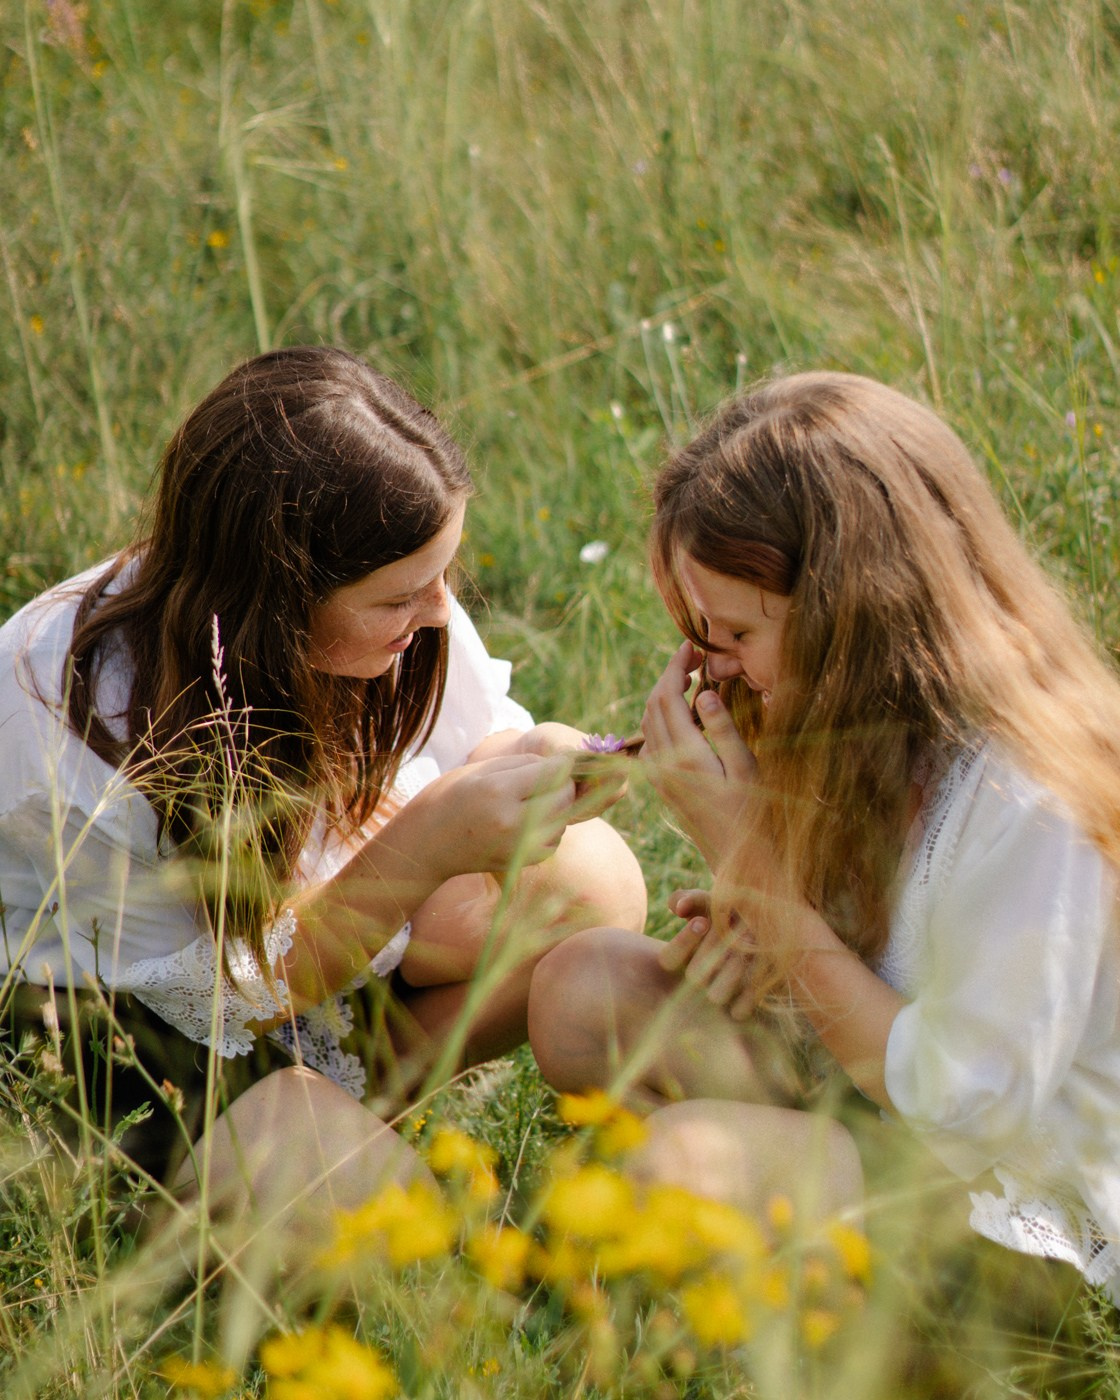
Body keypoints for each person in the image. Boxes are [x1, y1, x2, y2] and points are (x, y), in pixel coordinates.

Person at [0, 345, 645, 1235]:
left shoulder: (393, 603)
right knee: (390, 1238)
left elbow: (475, 731)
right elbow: (230, 997)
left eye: (442, 579)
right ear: (280, 597)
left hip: (305, 951)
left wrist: (533, 755)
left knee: (587, 880)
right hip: (130, 1036)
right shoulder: (75, 727)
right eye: (400, 598)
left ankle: (356, 1113)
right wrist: (424, 844)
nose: (438, 612)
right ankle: (189, 1185)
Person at [527, 371, 1120, 1302]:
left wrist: (754, 868)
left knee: (677, 1173)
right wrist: (759, 932)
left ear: (854, 615)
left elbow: (969, 1112)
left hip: (1025, 1201)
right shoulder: (860, 727)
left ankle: (818, 1297)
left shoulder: (1030, 795)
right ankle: (785, 1252)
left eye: (734, 633)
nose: (709, 670)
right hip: (884, 1110)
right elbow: (881, 964)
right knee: (580, 990)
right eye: (699, 632)